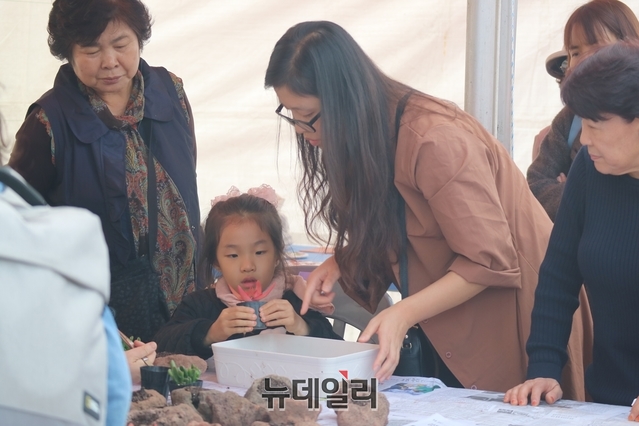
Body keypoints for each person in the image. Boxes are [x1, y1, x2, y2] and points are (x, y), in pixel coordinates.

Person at [264, 20, 593, 398]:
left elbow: (491, 260)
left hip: (516, 321)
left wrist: (402, 313)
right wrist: (344, 262)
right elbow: (398, 229)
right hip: (454, 327)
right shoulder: (372, 130)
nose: (302, 130)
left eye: (308, 115)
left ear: (343, 99)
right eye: (291, 115)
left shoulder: (435, 139)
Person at [8, 0, 202, 342]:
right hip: (100, 319)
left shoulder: (170, 92)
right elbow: (14, 223)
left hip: (187, 305)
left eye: (121, 44)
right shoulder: (48, 121)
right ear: (68, 52)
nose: (110, 61)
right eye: (91, 49)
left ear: (139, 39)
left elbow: (188, 176)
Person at [505, 40, 639, 420]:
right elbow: (559, 277)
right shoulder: (589, 170)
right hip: (610, 402)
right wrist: (544, 367)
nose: (583, 140)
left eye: (595, 125)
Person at [154, 186, 342, 360]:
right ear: (216, 262)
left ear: (277, 255)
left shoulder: (296, 301)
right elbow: (160, 344)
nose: (247, 266)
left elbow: (337, 350)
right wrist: (210, 333)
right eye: (233, 255)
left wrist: (301, 326)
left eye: (259, 252)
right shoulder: (200, 305)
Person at [527, 0, 639, 221]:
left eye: (598, 48)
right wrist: (575, 195)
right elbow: (534, 187)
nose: (586, 61)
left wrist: (574, 189)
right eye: (575, 53)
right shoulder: (569, 120)